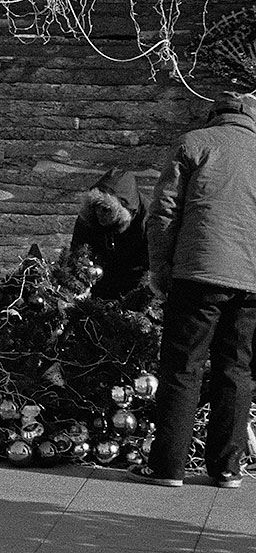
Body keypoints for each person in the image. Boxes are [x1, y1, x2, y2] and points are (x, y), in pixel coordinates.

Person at [134, 93, 256, 489]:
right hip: (252, 280)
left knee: (183, 368)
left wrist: (159, 270)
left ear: (216, 115)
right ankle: (227, 468)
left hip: (198, 274)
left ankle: (168, 467)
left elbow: (163, 213)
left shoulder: (196, 143)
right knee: (236, 371)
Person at [68, 167, 148, 299]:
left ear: (121, 209)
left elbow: (155, 264)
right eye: (96, 206)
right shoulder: (88, 217)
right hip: (100, 278)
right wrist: (81, 282)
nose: (99, 213)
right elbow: (78, 251)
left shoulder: (148, 220)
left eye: (106, 209)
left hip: (136, 282)